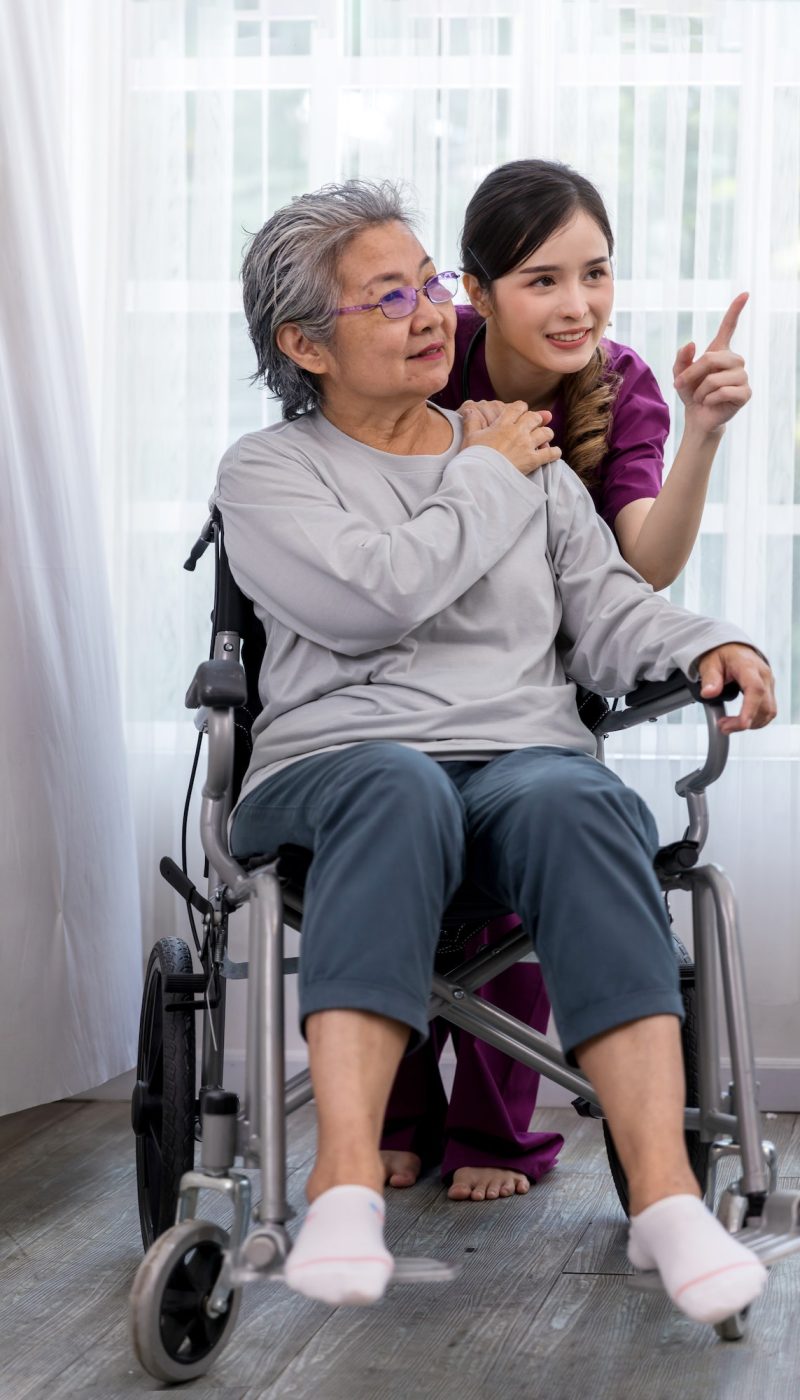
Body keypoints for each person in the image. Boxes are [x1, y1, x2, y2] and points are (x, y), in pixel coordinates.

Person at [212, 179, 775, 1322]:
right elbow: (372, 600)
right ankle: (341, 1185)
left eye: (427, 283)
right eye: (388, 296)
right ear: (301, 343)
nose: (427, 312)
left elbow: (614, 614)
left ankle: (667, 1201)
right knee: (395, 779)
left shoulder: (540, 474)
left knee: (574, 794)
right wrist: (482, 465)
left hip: (512, 764)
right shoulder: (270, 474)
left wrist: (713, 637)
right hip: (338, 772)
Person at [382, 158, 753, 1204]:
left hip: (540, 678)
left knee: (528, 848)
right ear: (474, 288)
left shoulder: (621, 383)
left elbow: (641, 565)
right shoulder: (423, 358)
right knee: (399, 843)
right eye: (542, 279)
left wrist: (703, 435)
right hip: (402, 663)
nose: (576, 303)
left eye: (594, 273)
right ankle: (397, 1116)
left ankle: (494, 1129)